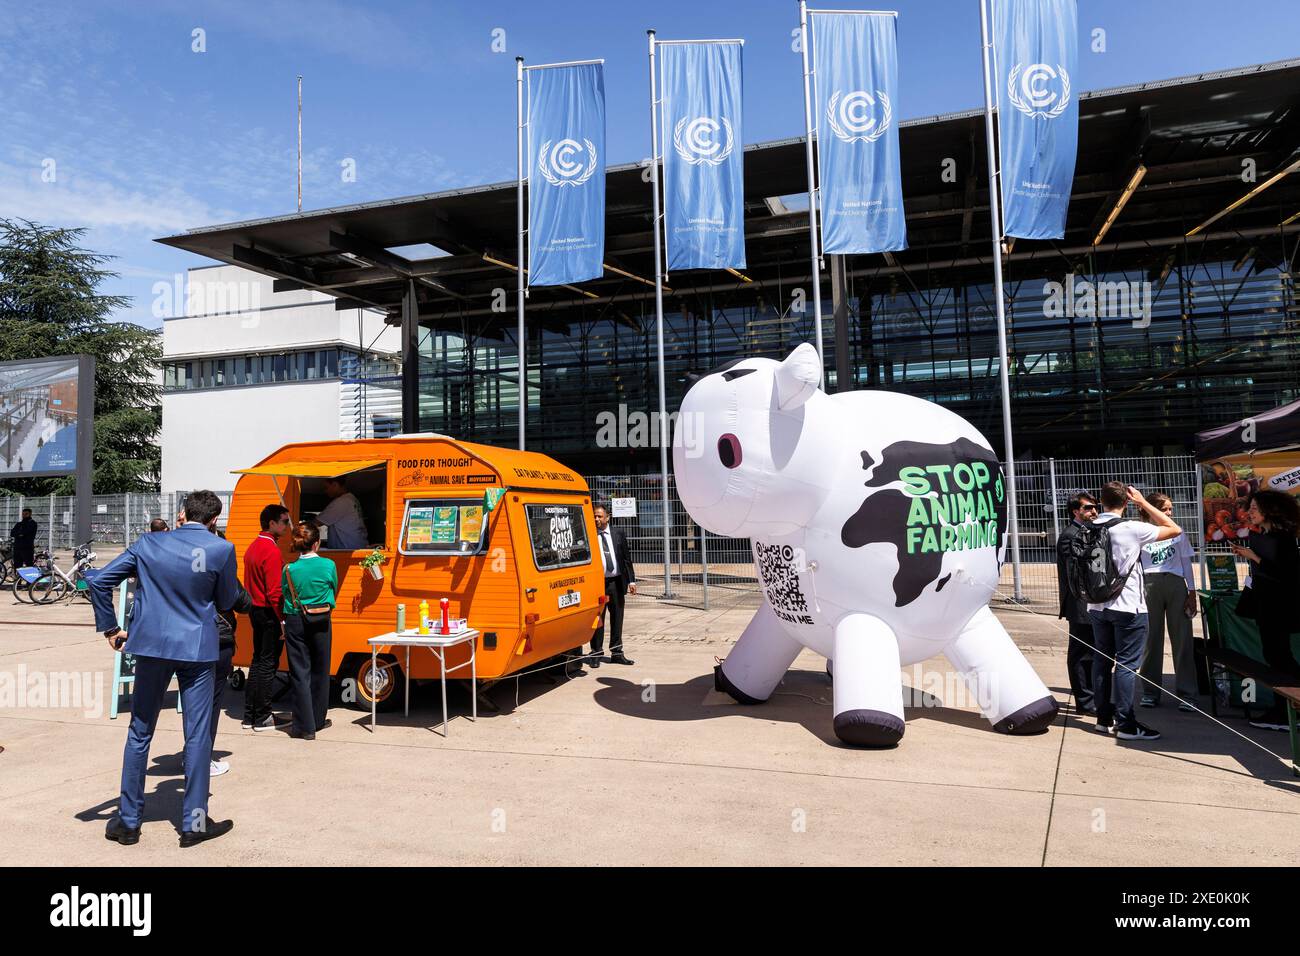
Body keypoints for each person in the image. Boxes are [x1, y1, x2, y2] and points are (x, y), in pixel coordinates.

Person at [86, 490, 239, 848]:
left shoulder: (148, 545)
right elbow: (228, 600)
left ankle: (127, 822)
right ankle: (193, 823)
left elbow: (98, 581)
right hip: (197, 650)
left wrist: (110, 627)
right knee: (198, 735)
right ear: (214, 520)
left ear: (182, 513)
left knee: (140, 732)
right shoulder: (220, 549)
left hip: (151, 648)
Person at [1087, 482, 1182, 742]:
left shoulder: (1088, 528)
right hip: (1128, 604)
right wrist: (1144, 503)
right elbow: (1174, 528)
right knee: (1127, 666)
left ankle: (1103, 718)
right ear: (1127, 503)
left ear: (1100, 501)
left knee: (1102, 662)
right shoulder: (1131, 528)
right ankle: (1126, 722)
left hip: (1096, 605)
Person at [1231, 490, 1300, 731]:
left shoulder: (1283, 538)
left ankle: (1287, 711)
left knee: (1279, 657)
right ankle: (1283, 709)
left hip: (1280, 608)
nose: (1250, 512)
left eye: (1254, 508)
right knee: (1274, 656)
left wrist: (1255, 558)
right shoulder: (1263, 535)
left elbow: (1288, 574)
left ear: (1269, 510)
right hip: (1266, 606)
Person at [1137, 492, 1199, 711]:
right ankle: (1150, 692)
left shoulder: (1178, 532)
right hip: (1149, 585)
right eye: (1165, 509)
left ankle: (1188, 694)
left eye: (1170, 509)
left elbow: (1186, 562)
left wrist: (1192, 592)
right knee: (1151, 640)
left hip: (1175, 584)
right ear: (1151, 510)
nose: (1169, 513)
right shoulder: (1142, 532)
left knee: (1183, 639)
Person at [281, 522, 338, 739]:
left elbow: (286, 596)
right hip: (322, 618)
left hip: (295, 619)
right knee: (321, 669)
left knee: (299, 672)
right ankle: (318, 719)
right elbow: (334, 587)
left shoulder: (289, 569)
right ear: (316, 543)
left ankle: (305, 727)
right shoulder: (328, 565)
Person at [243, 504, 291, 733]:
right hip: (269, 612)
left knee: (257, 661)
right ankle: (262, 716)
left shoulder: (253, 546)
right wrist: (283, 620)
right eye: (284, 521)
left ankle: (250, 714)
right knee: (267, 664)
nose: (287, 525)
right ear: (271, 523)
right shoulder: (270, 550)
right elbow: (274, 592)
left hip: (256, 610)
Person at [1056, 492, 1098, 714]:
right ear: (1076, 511)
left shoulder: (1089, 532)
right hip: (1080, 603)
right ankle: (1085, 701)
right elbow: (1077, 573)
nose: (1094, 511)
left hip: (1092, 602)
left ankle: (1092, 697)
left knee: (1093, 652)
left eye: (1095, 507)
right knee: (1081, 653)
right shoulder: (1070, 536)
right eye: (1089, 508)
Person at [211, 574, 253, 777]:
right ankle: (200, 758)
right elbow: (244, 603)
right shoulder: (219, 571)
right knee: (211, 704)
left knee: (194, 704)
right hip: (217, 640)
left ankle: (192, 755)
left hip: (183, 643)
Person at [589, 502, 636, 667]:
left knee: (617, 617)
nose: (596, 519)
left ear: (607, 517)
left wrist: (631, 580)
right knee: (597, 619)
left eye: (599, 516)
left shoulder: (618, 534)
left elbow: (626, 558)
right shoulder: (589, 535)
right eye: (594, 516)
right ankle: (596, 652)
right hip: (597, 584)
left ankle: (617, 652)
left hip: (616, 582)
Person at [315, 477, 368, 550]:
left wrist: (298, 526)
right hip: (356, 546)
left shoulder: (342, 502)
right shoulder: (351, 499)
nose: (325, 491)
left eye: (326, 487)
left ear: (335, 485)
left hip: (348, 549)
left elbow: (317, 523)